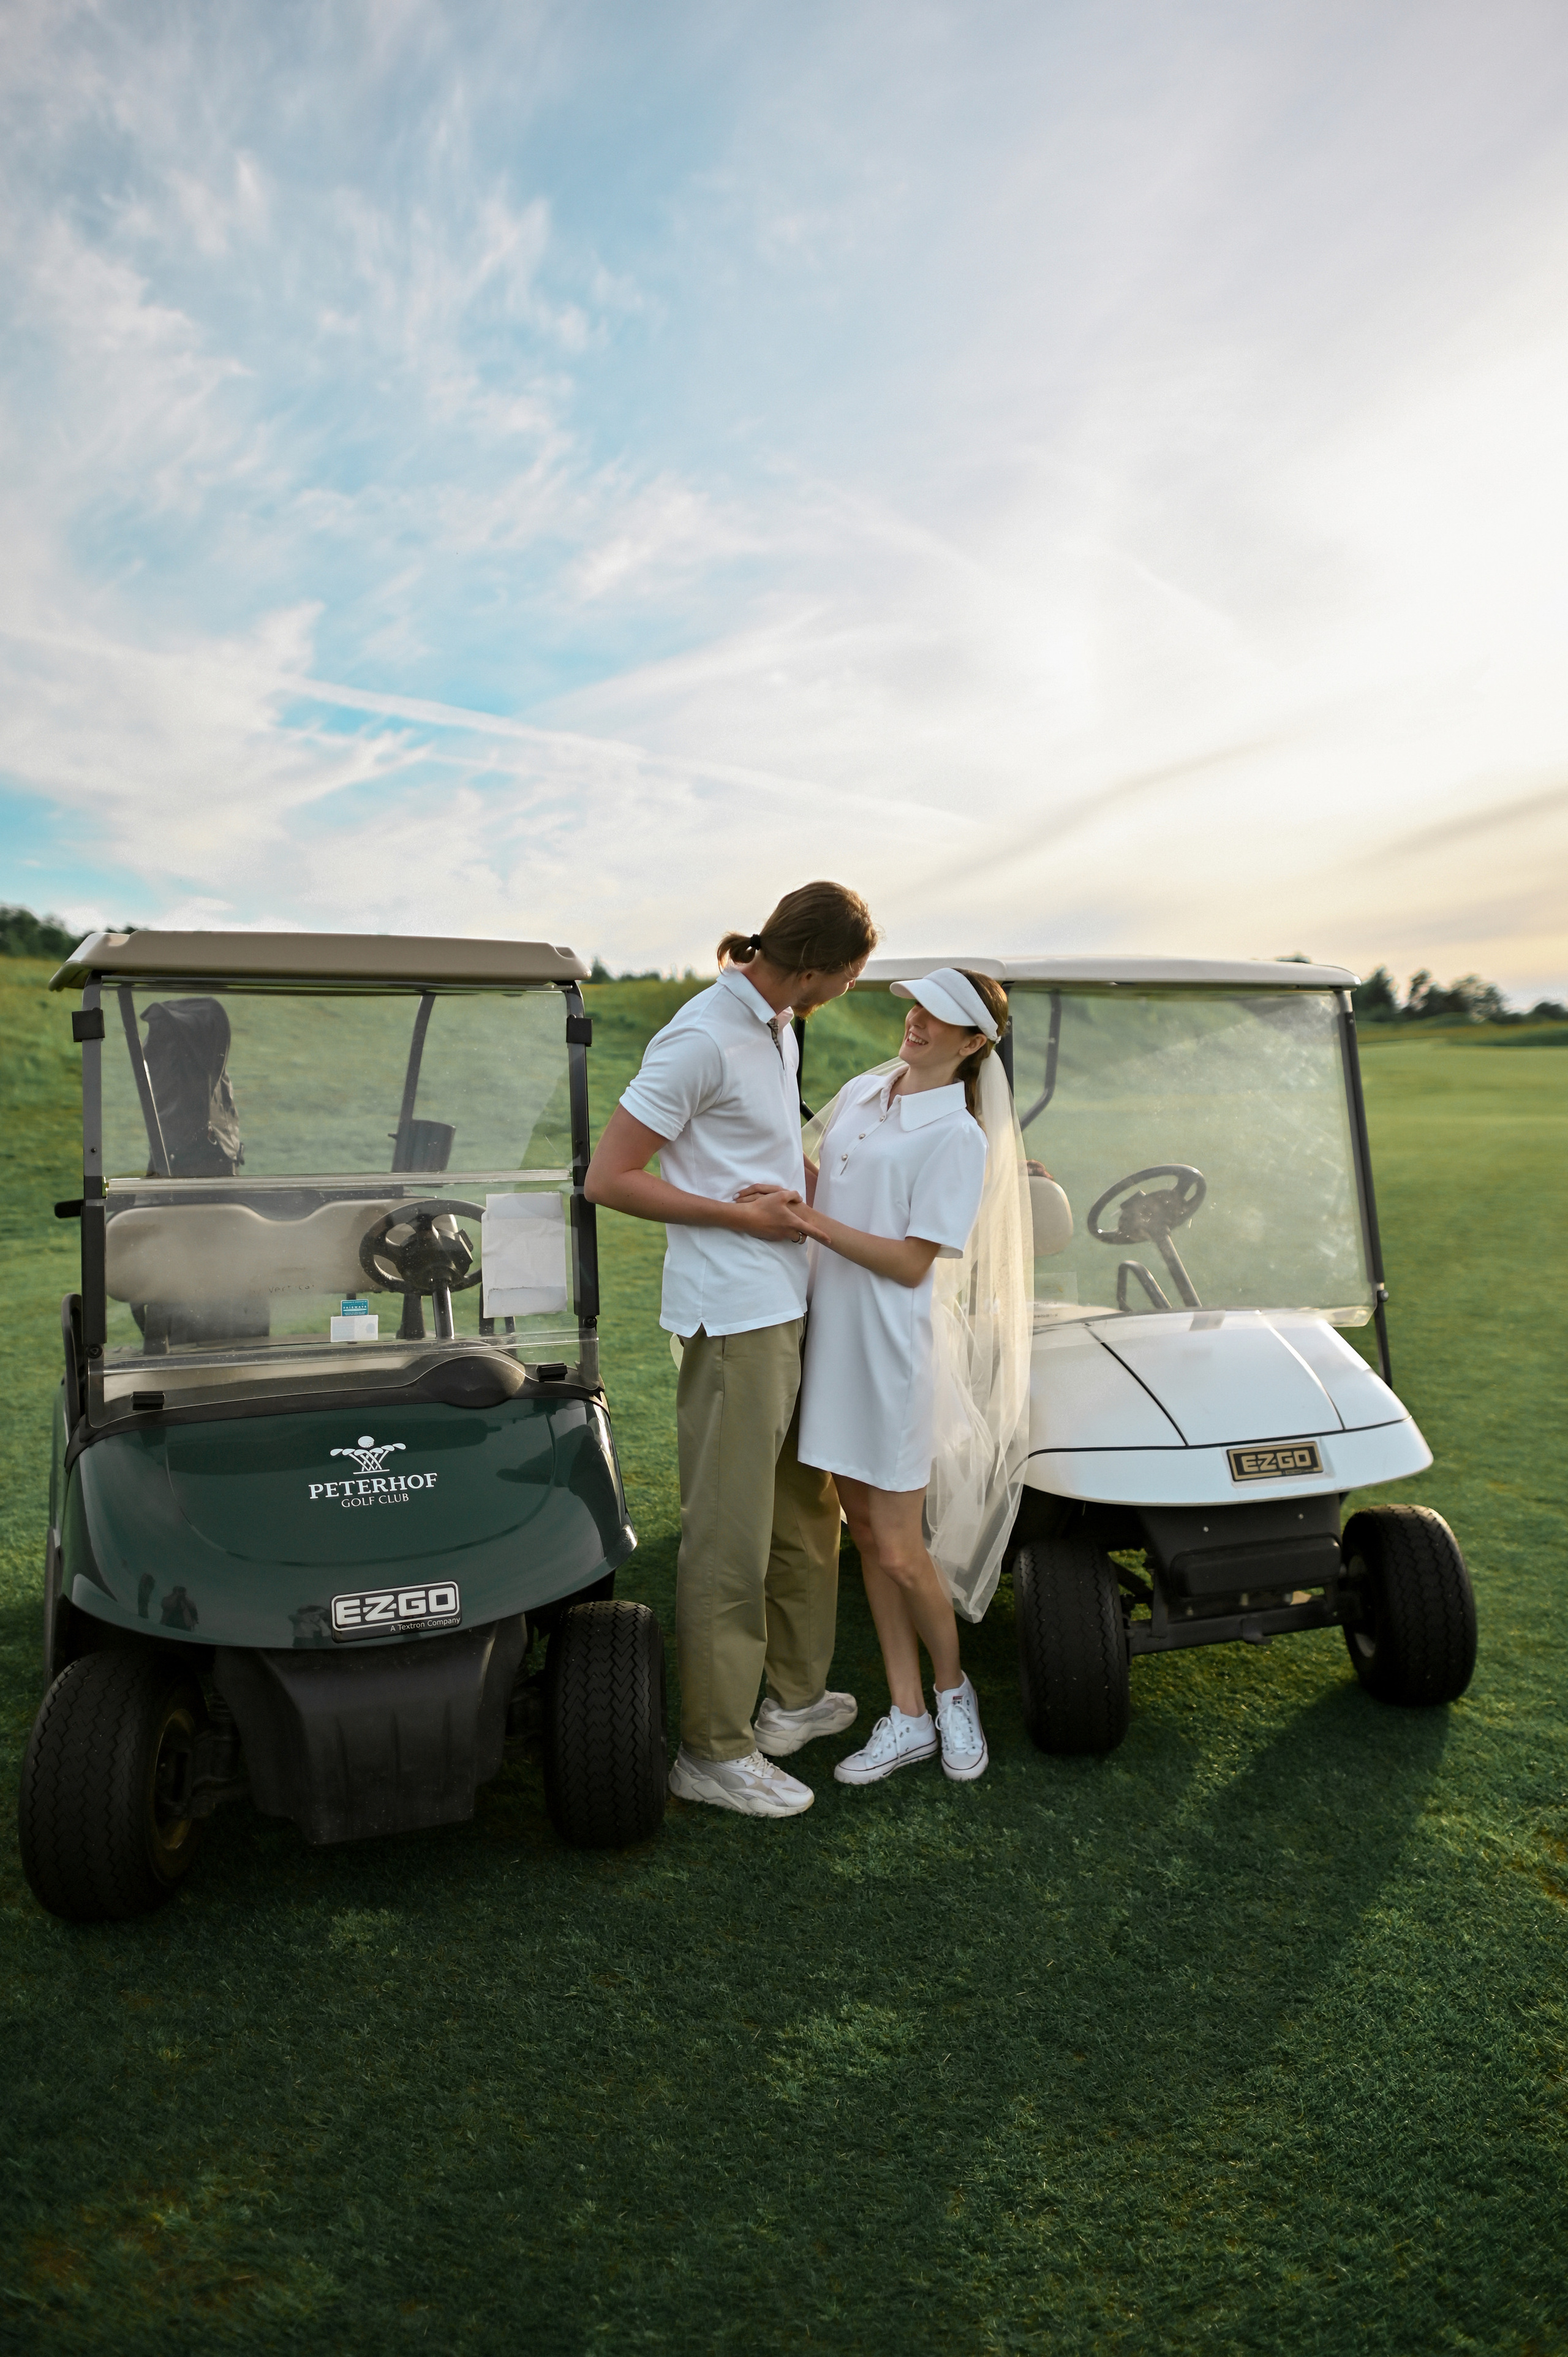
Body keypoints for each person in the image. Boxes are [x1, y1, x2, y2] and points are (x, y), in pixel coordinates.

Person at [584, 882, 878, 1818]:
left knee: (807, 1508)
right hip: (734, 1316)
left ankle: (793, 1700)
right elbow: (609, 1177)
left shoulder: (779, 1020)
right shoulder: (701, 1036)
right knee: (730, 1535)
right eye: (848, 977)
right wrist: (739, 1220)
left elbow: (775, 1147)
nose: (846, 991)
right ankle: (712, 1752)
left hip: (791, 1301)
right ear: (813, 967)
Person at [772, 967, 1023, 1786]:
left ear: (973, 1043)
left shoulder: (958, 1137)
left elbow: (912, 1262)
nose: (916, 1020)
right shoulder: (860, 1096)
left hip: (890, 1355)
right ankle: (906, 1712)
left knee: (903, 1547)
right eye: (917, 1004)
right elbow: (829, 1183)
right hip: (830, 1341)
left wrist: (810, 1220)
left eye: (939, 1015)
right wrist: (789, 1191)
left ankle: (954, 1694)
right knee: (867, 1536)